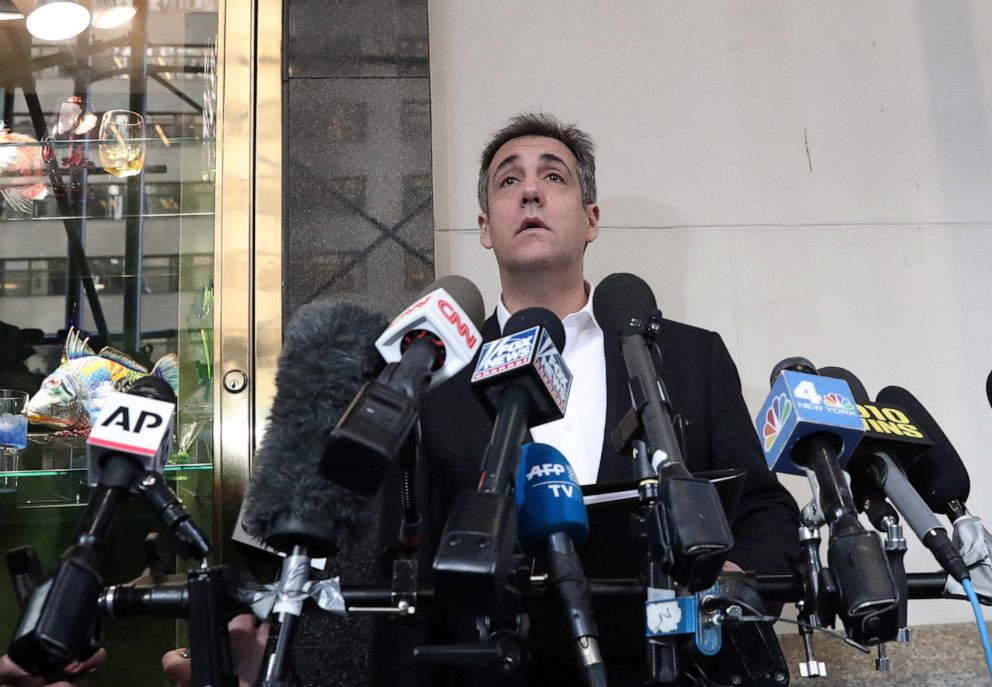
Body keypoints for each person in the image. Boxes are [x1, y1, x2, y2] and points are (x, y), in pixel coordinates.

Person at [368, 113, 801, 686]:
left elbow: (767, 512)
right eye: (508, 181)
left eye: (553, 177)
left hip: (664, 665)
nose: (529, 191)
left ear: (591, 219)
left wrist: (731, 578)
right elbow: (402, 568)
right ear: (484, 227)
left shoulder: (690, 358)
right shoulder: (436, 374)